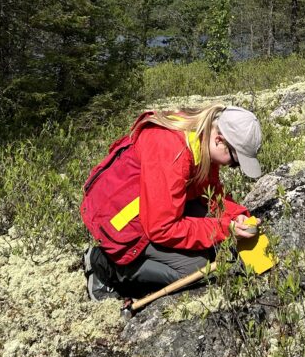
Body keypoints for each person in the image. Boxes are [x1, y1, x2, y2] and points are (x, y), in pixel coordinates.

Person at [81, 103, 263, 302]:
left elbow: (209, 191)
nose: (231, 166)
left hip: (155, 207)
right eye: (235, 161)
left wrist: (237, 216)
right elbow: (161, 228)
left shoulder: (201, 138)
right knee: (196, 269)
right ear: (219, 140)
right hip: (120, 222)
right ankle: (107, 265)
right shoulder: (172, 152)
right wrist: (224, 228)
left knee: (210, 244)